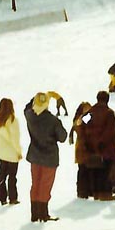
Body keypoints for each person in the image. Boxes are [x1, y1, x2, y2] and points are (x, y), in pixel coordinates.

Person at [25, 93, 67, 221]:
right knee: (45, 186)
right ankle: (43, 213)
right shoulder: (53, 120)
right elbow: (63, 137)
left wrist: (35, 97)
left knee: (35, 184)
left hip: (35, 156)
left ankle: (34, 213)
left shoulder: (30, 115)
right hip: (49, 158)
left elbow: (26, 107)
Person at [81, 91, 115, 200]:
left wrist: (89, 141)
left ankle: (96, 193)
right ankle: (106, 194)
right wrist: (101, 142)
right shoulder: (109, 113)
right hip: (106, 147)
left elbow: (82, 125)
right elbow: (110, 131)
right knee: (106, 171)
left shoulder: (90, 112)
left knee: (96, 171)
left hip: (91, 147)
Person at [0, 98, 23, 205]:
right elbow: (14, 138)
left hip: (2, 152)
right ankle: (13, 197)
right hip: (12, 153)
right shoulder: (12, 120)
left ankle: (2, 197)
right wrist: (18, 151)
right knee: (12, 176)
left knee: (2, 175)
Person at [70, 102, 93, 199]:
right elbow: (79, 129)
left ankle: (88, 190)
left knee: (88, 170)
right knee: (82, 170)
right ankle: (81, 191)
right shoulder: (79, 119)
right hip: (82, 148)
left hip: (88, 148)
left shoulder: (89, 118)